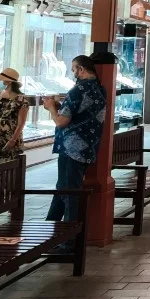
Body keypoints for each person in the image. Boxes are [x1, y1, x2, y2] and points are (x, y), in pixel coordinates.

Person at [44, 55, 107, 224]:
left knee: (70, 192)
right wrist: (61, 107)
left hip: (72, 148)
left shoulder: (77, 91)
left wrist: (51, 108)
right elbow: (80, 113)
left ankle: (69, 241)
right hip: (89, 147)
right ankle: (51, 228)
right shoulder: (100, 90)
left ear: (81, 69)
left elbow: (61, 122)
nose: (73, 73)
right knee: (63, 188)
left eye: (73, 69)